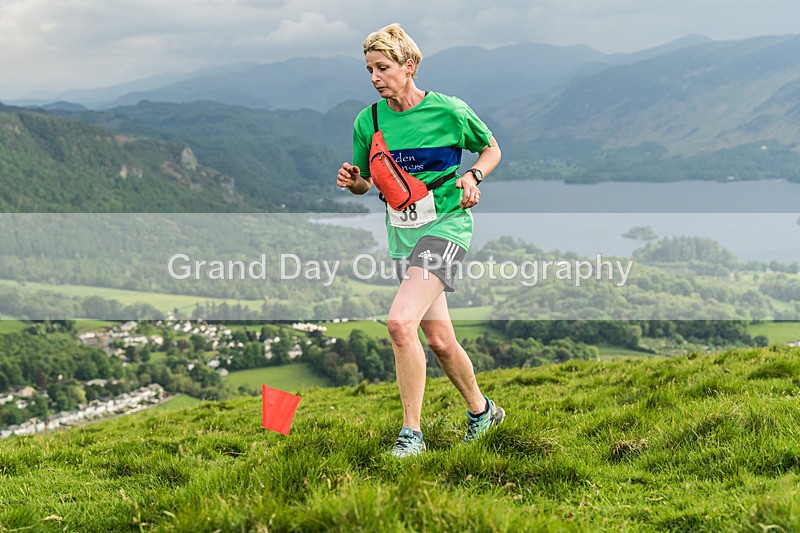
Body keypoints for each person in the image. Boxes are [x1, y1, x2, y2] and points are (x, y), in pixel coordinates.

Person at [336, 23, 503, 458]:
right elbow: (368, 183)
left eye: (383, 67)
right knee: (440, 342)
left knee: (398, 323)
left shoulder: (449, 111)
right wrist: (353, 182)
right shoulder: (368, 120)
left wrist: (473, 174)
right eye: (369, 69)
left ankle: (411, 434)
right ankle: (482, 412)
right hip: (403, 238)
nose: (375, 77)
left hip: (447, 226)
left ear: (409, 68)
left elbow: (491, 149)